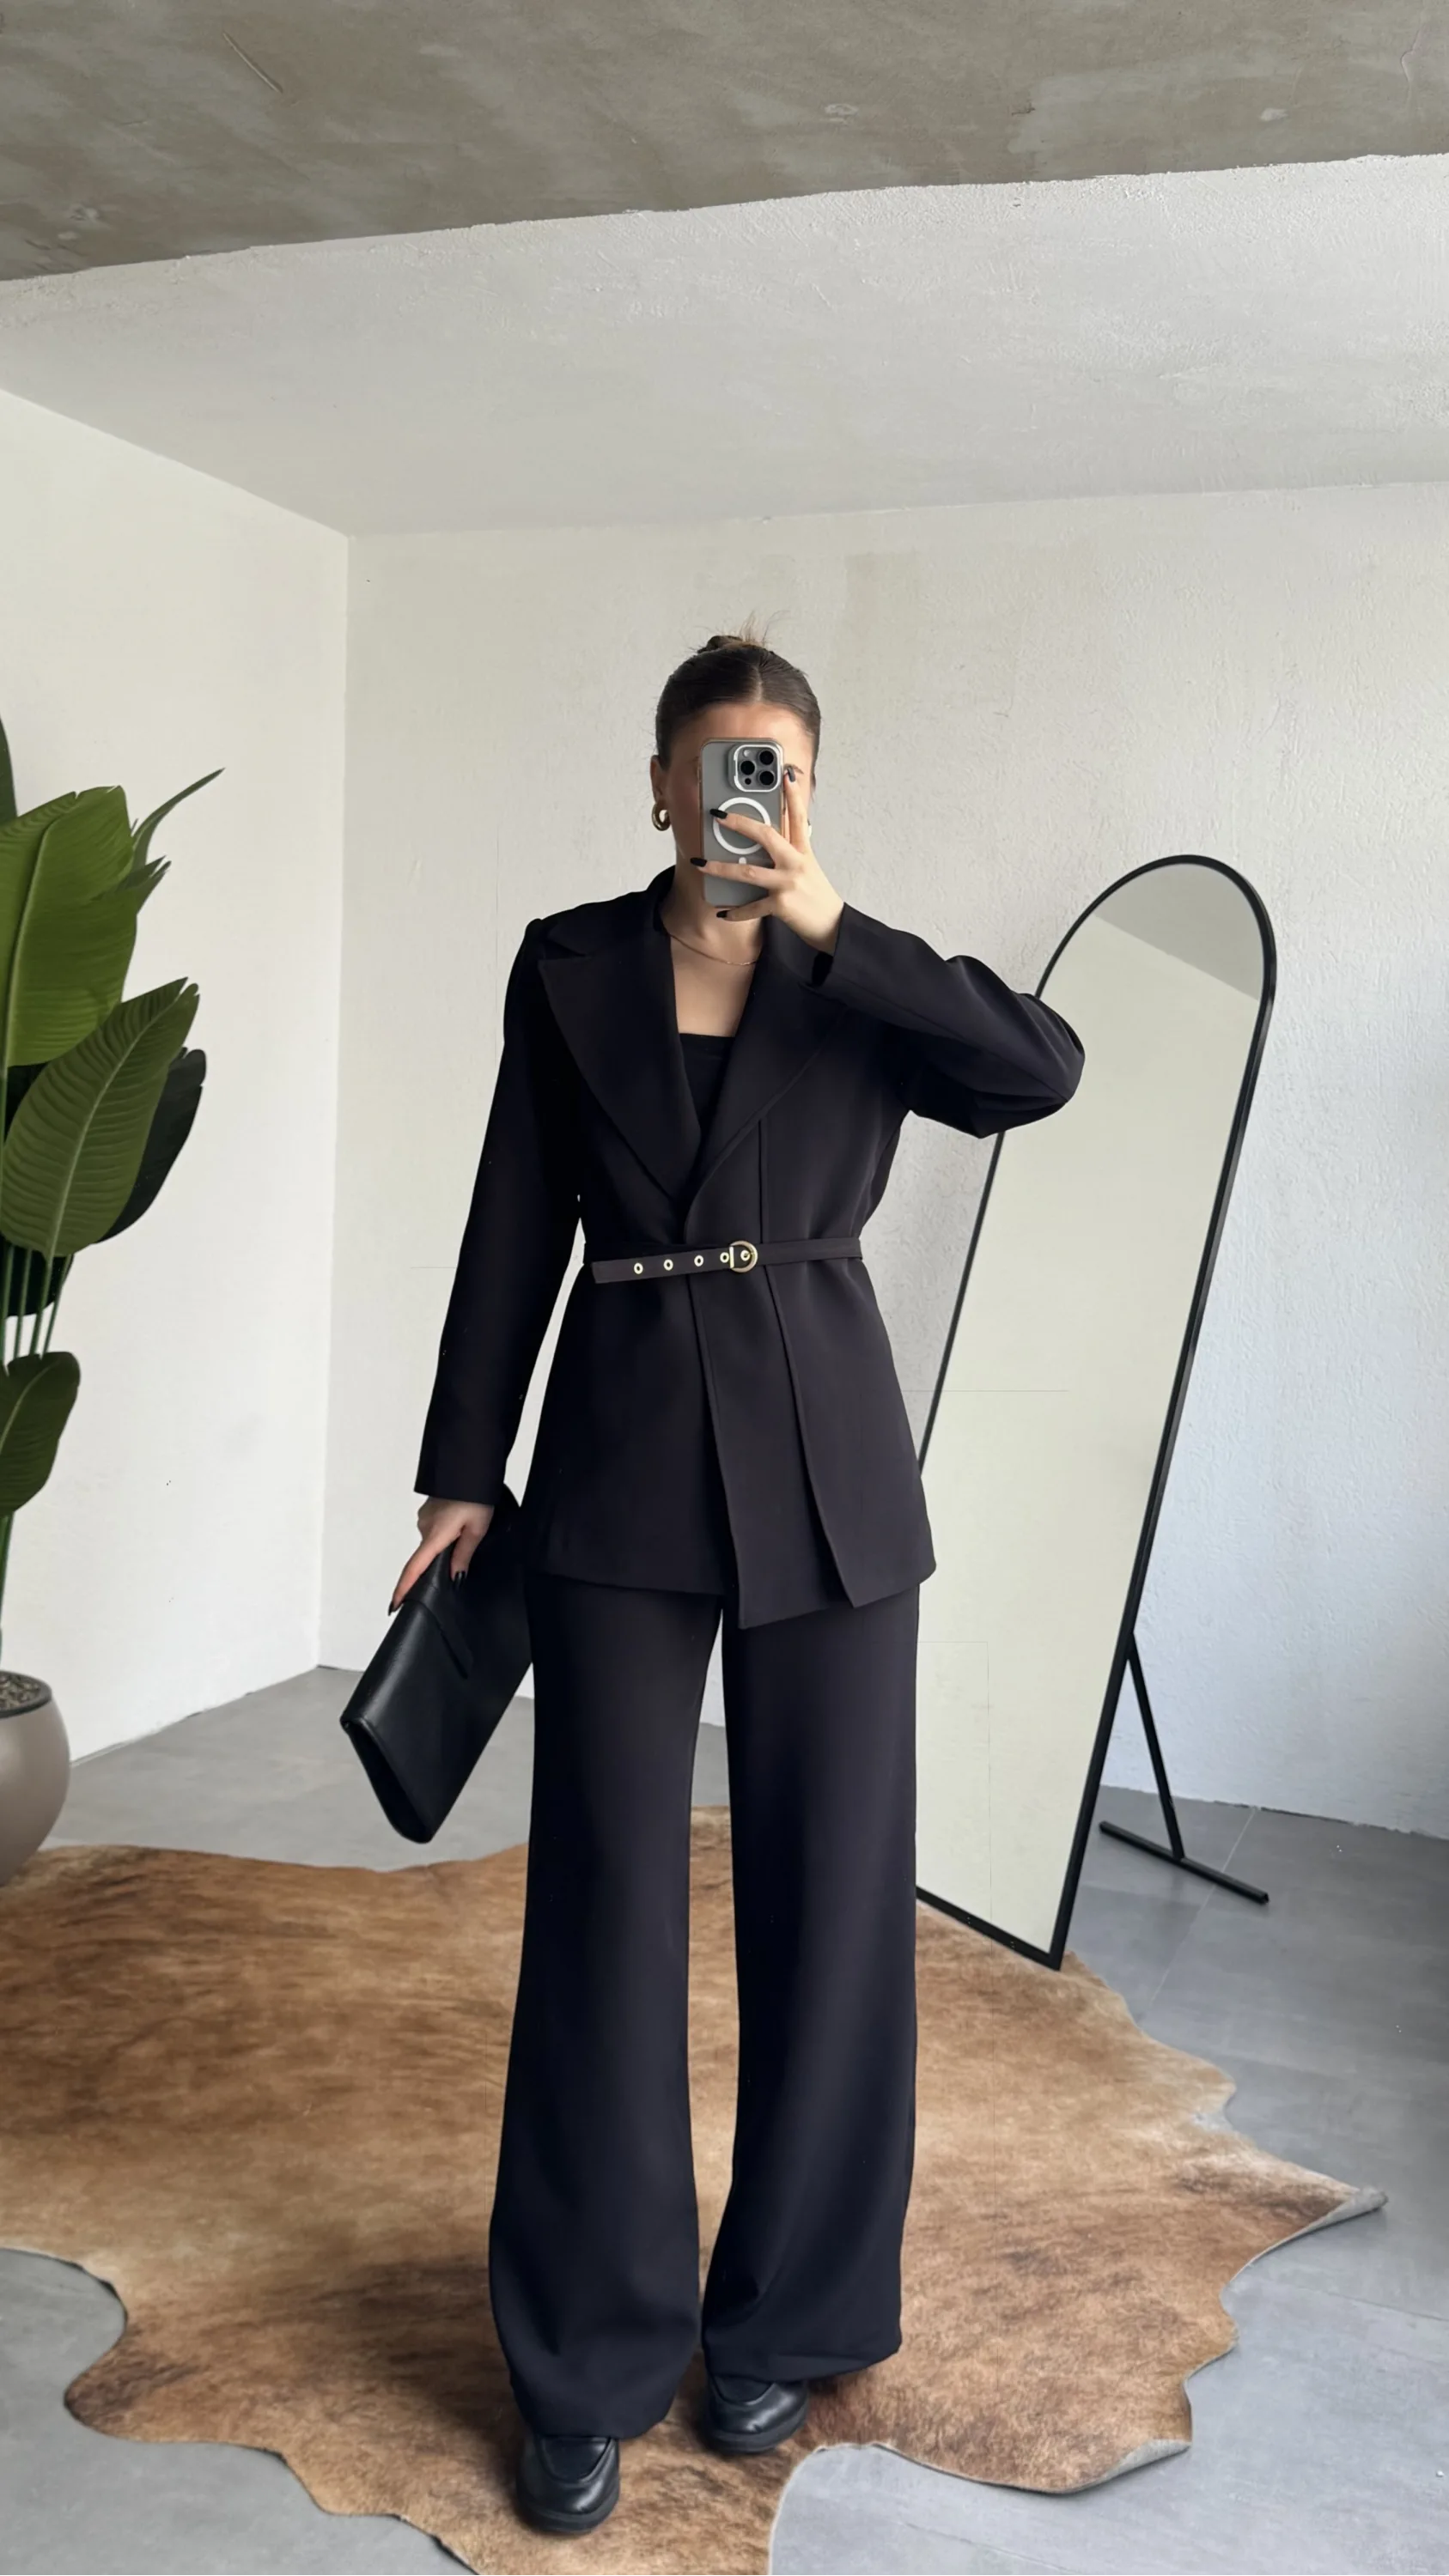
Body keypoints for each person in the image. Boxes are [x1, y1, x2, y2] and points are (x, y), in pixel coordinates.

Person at [391, 622, 1085, 2536]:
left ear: (810, 791)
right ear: (659, 784)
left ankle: (794, 2309)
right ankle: (585, 2355)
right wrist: (463, 1468)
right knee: (603, 1905)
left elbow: (1040, 1074)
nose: (744, 801)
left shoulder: (862, 977)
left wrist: (834, 926)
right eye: (717, 769)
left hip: (830, 1473)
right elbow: (512, 1217)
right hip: (617, 1463)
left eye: (778, 770)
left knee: (834, 1898)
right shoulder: (568, 965)